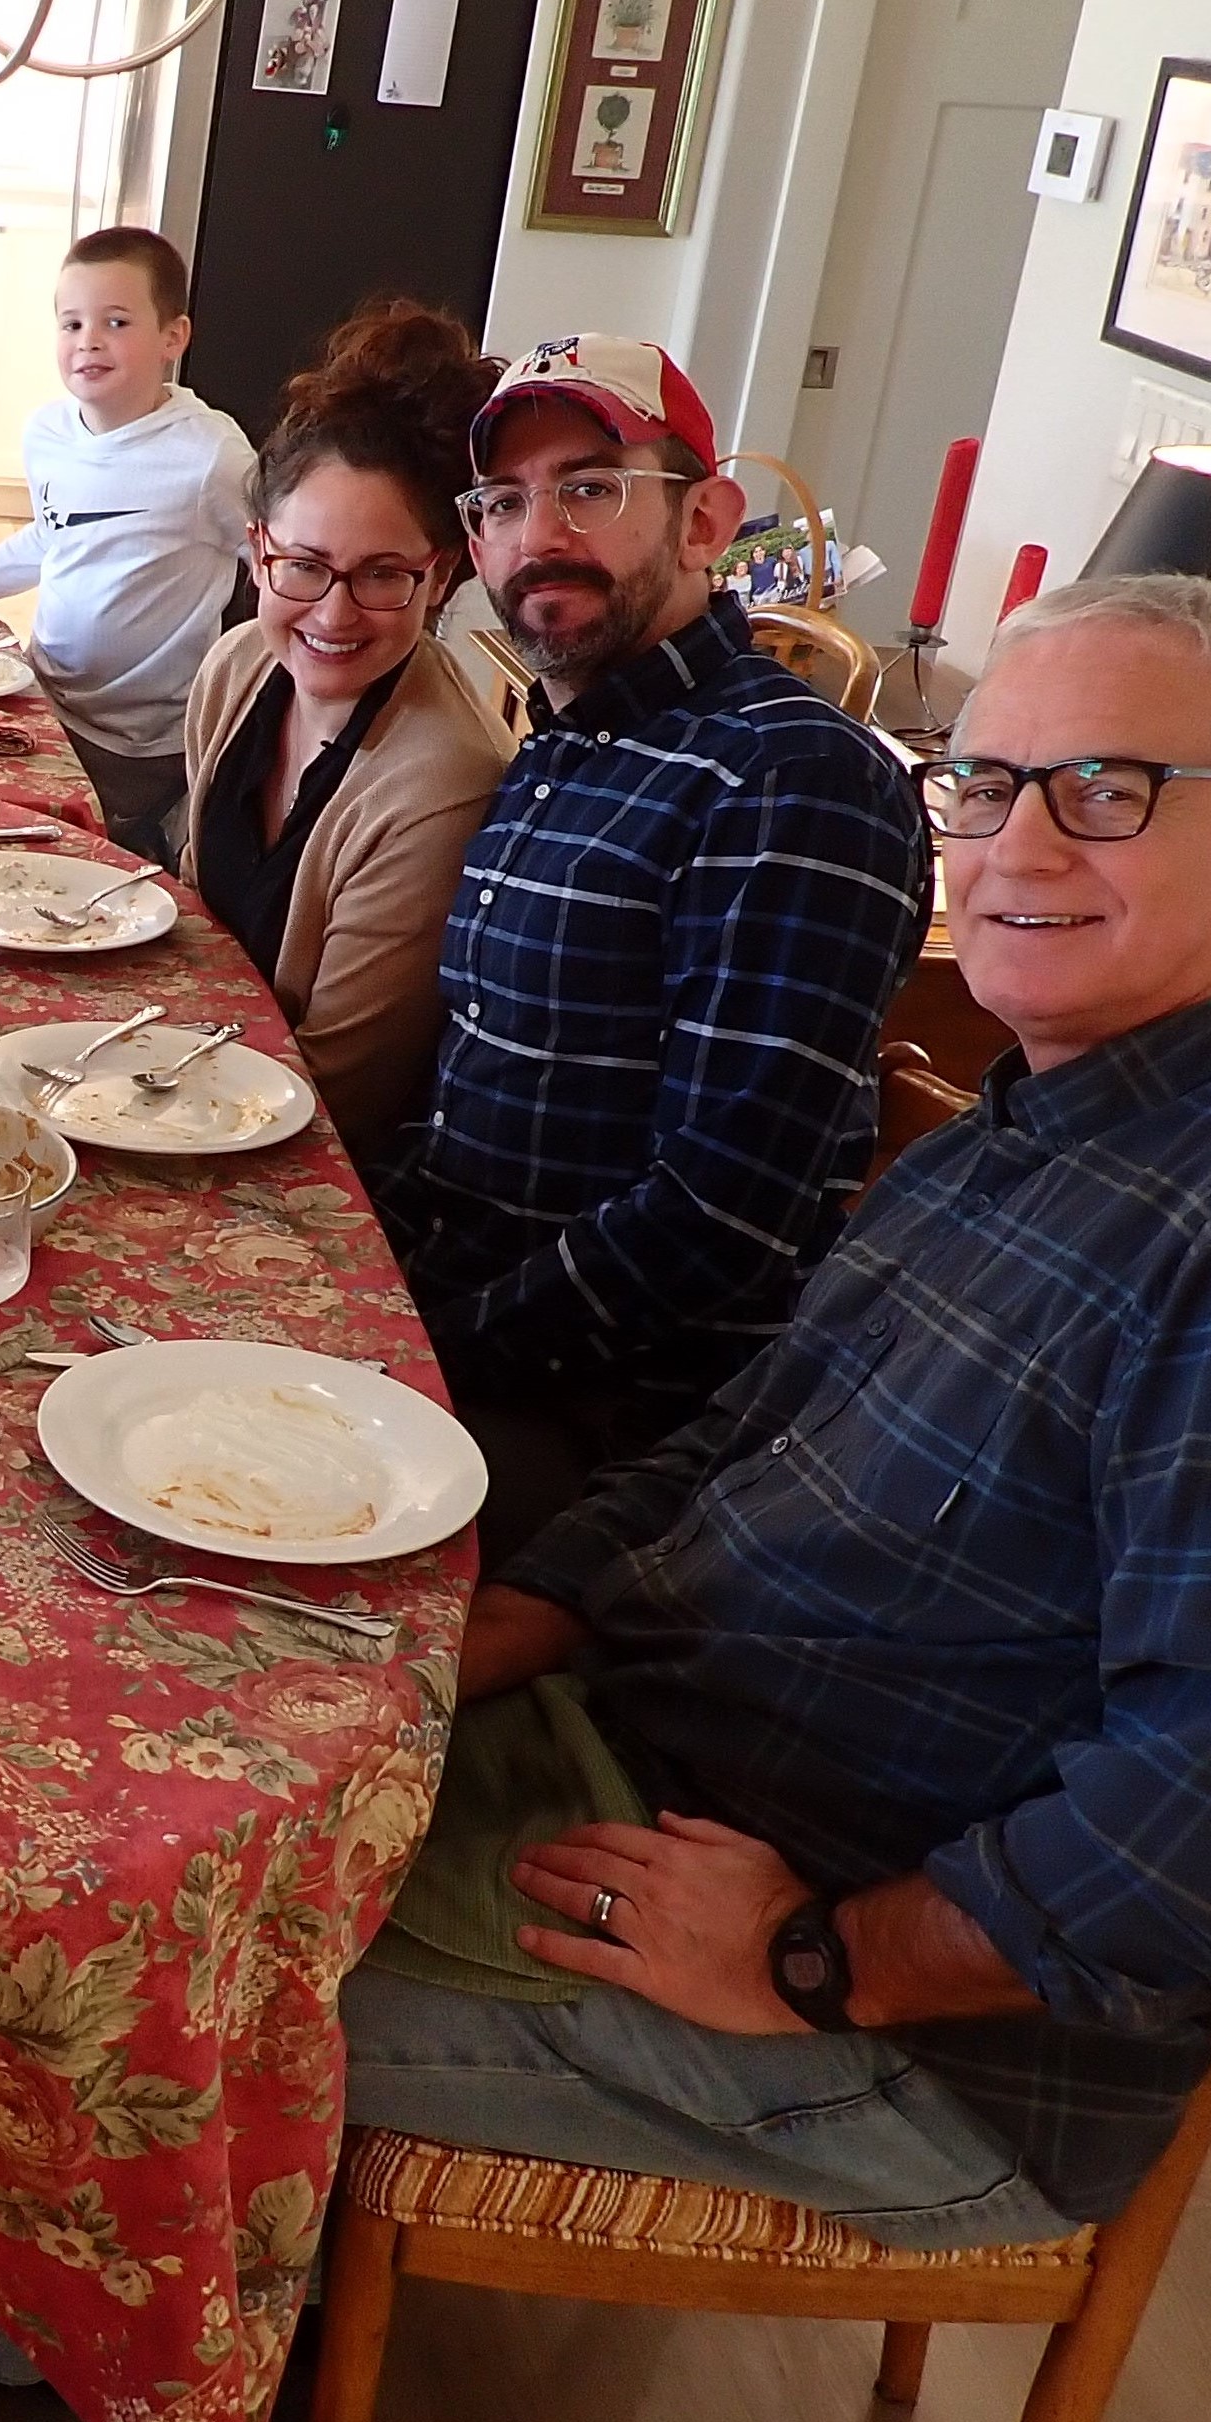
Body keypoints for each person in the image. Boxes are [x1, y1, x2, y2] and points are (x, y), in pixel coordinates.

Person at [342, 572, 1211, 2254]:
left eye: (1106, 790)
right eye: (983, 785)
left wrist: (817, 1956)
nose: (1016, 848)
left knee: (141, 1984)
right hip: (655, 1764)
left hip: (910, 2040)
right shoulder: (1034, 1120)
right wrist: (517, 1618)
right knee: (151, 1793)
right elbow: (745, 1430)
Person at [370, 334, 929, 1548]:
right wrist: (336, 1265)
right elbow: (474, 1111)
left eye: (590, 487)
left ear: (704, 520)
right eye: (502, 502)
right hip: (471, 1325)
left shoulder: (791, 776)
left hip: (613, 1424)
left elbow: (720, 1218)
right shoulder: (572, 743)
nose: (539, 535)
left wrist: (415, 1350)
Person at [174, 300, 511, 1164]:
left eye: (381, 575)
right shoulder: (239, 666)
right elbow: (191, 930)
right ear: (258, 550)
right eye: (304, 566)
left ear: (440, 575)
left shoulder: (442, 782)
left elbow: (343, 1091)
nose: (331, 614)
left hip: (295, 1154)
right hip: (185, 1079)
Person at [0, 226, 256, 854]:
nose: (88, 340)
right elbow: (51, 536)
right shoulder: (47, 433)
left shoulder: (210, 455)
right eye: (71, 324)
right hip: (43, 697)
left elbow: (274, 562)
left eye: (116, 322)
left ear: (173, 337)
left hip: (140, 741)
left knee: (75, 853)